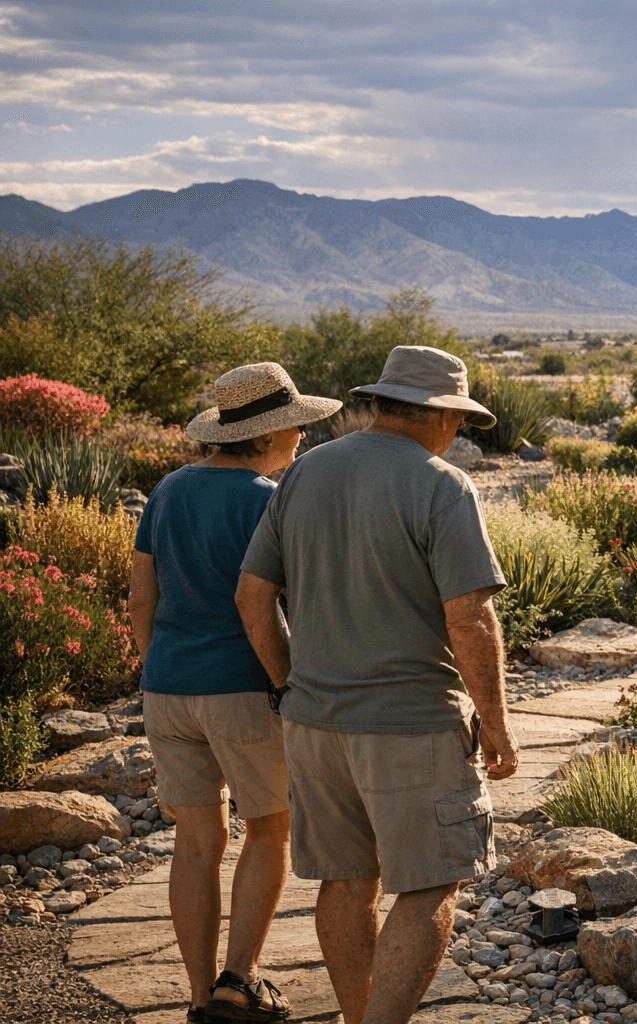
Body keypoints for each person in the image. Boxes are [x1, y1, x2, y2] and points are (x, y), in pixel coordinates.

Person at [235, 346, 519, 1024]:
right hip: (411, 724)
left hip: (315, 721)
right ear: (442, 416)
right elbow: (471, 618)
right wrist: (499, 726)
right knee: (428, 886)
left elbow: (252, 596)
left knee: (345, 881)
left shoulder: (304, 473)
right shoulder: (442, 484)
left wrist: (289, 685)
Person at [128, 362, 341, 1024]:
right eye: (296, 428)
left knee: (194, 843)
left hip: (167, 686)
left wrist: (156, 666)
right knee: (269, 831)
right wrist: (285, 683)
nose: (302, 439)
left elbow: (141, 597)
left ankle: (197, 997)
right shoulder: (265, 500)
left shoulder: (166, 490)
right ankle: (237, 983)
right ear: (269, 436)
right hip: (243, 688)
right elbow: (269, 607)